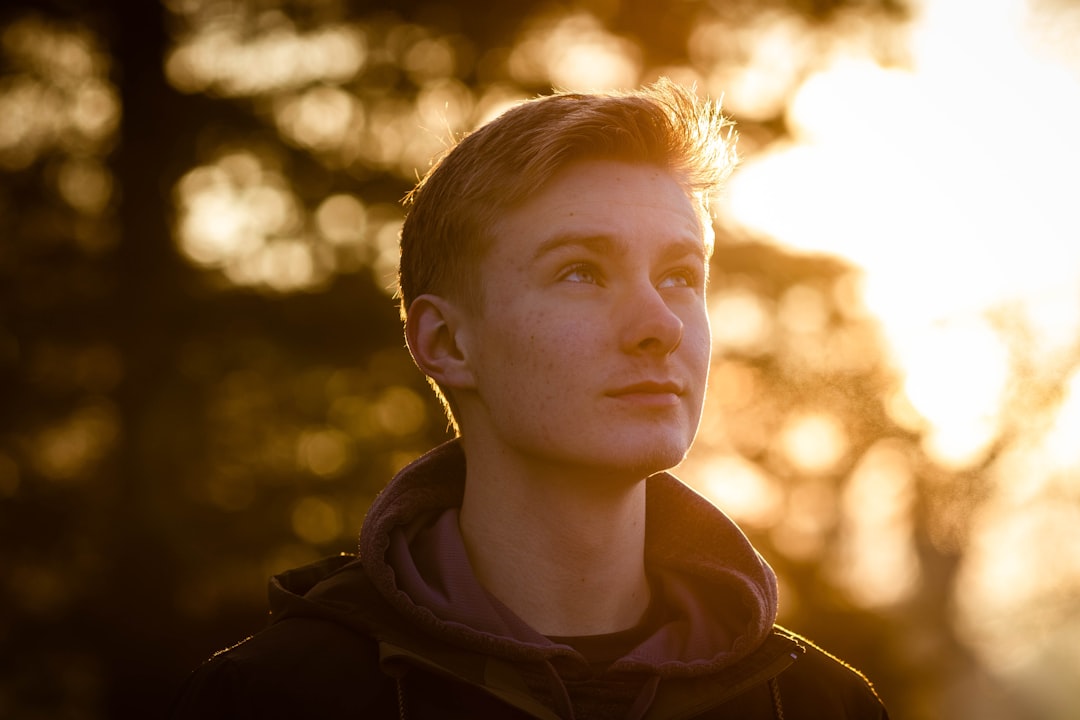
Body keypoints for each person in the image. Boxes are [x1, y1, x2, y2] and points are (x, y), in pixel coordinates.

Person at [171, 80, 889, 719]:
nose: (660, 326)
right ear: (447, 342)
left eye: (678, 275)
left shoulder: (818, 705)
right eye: (580, 272)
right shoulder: (275, 700)